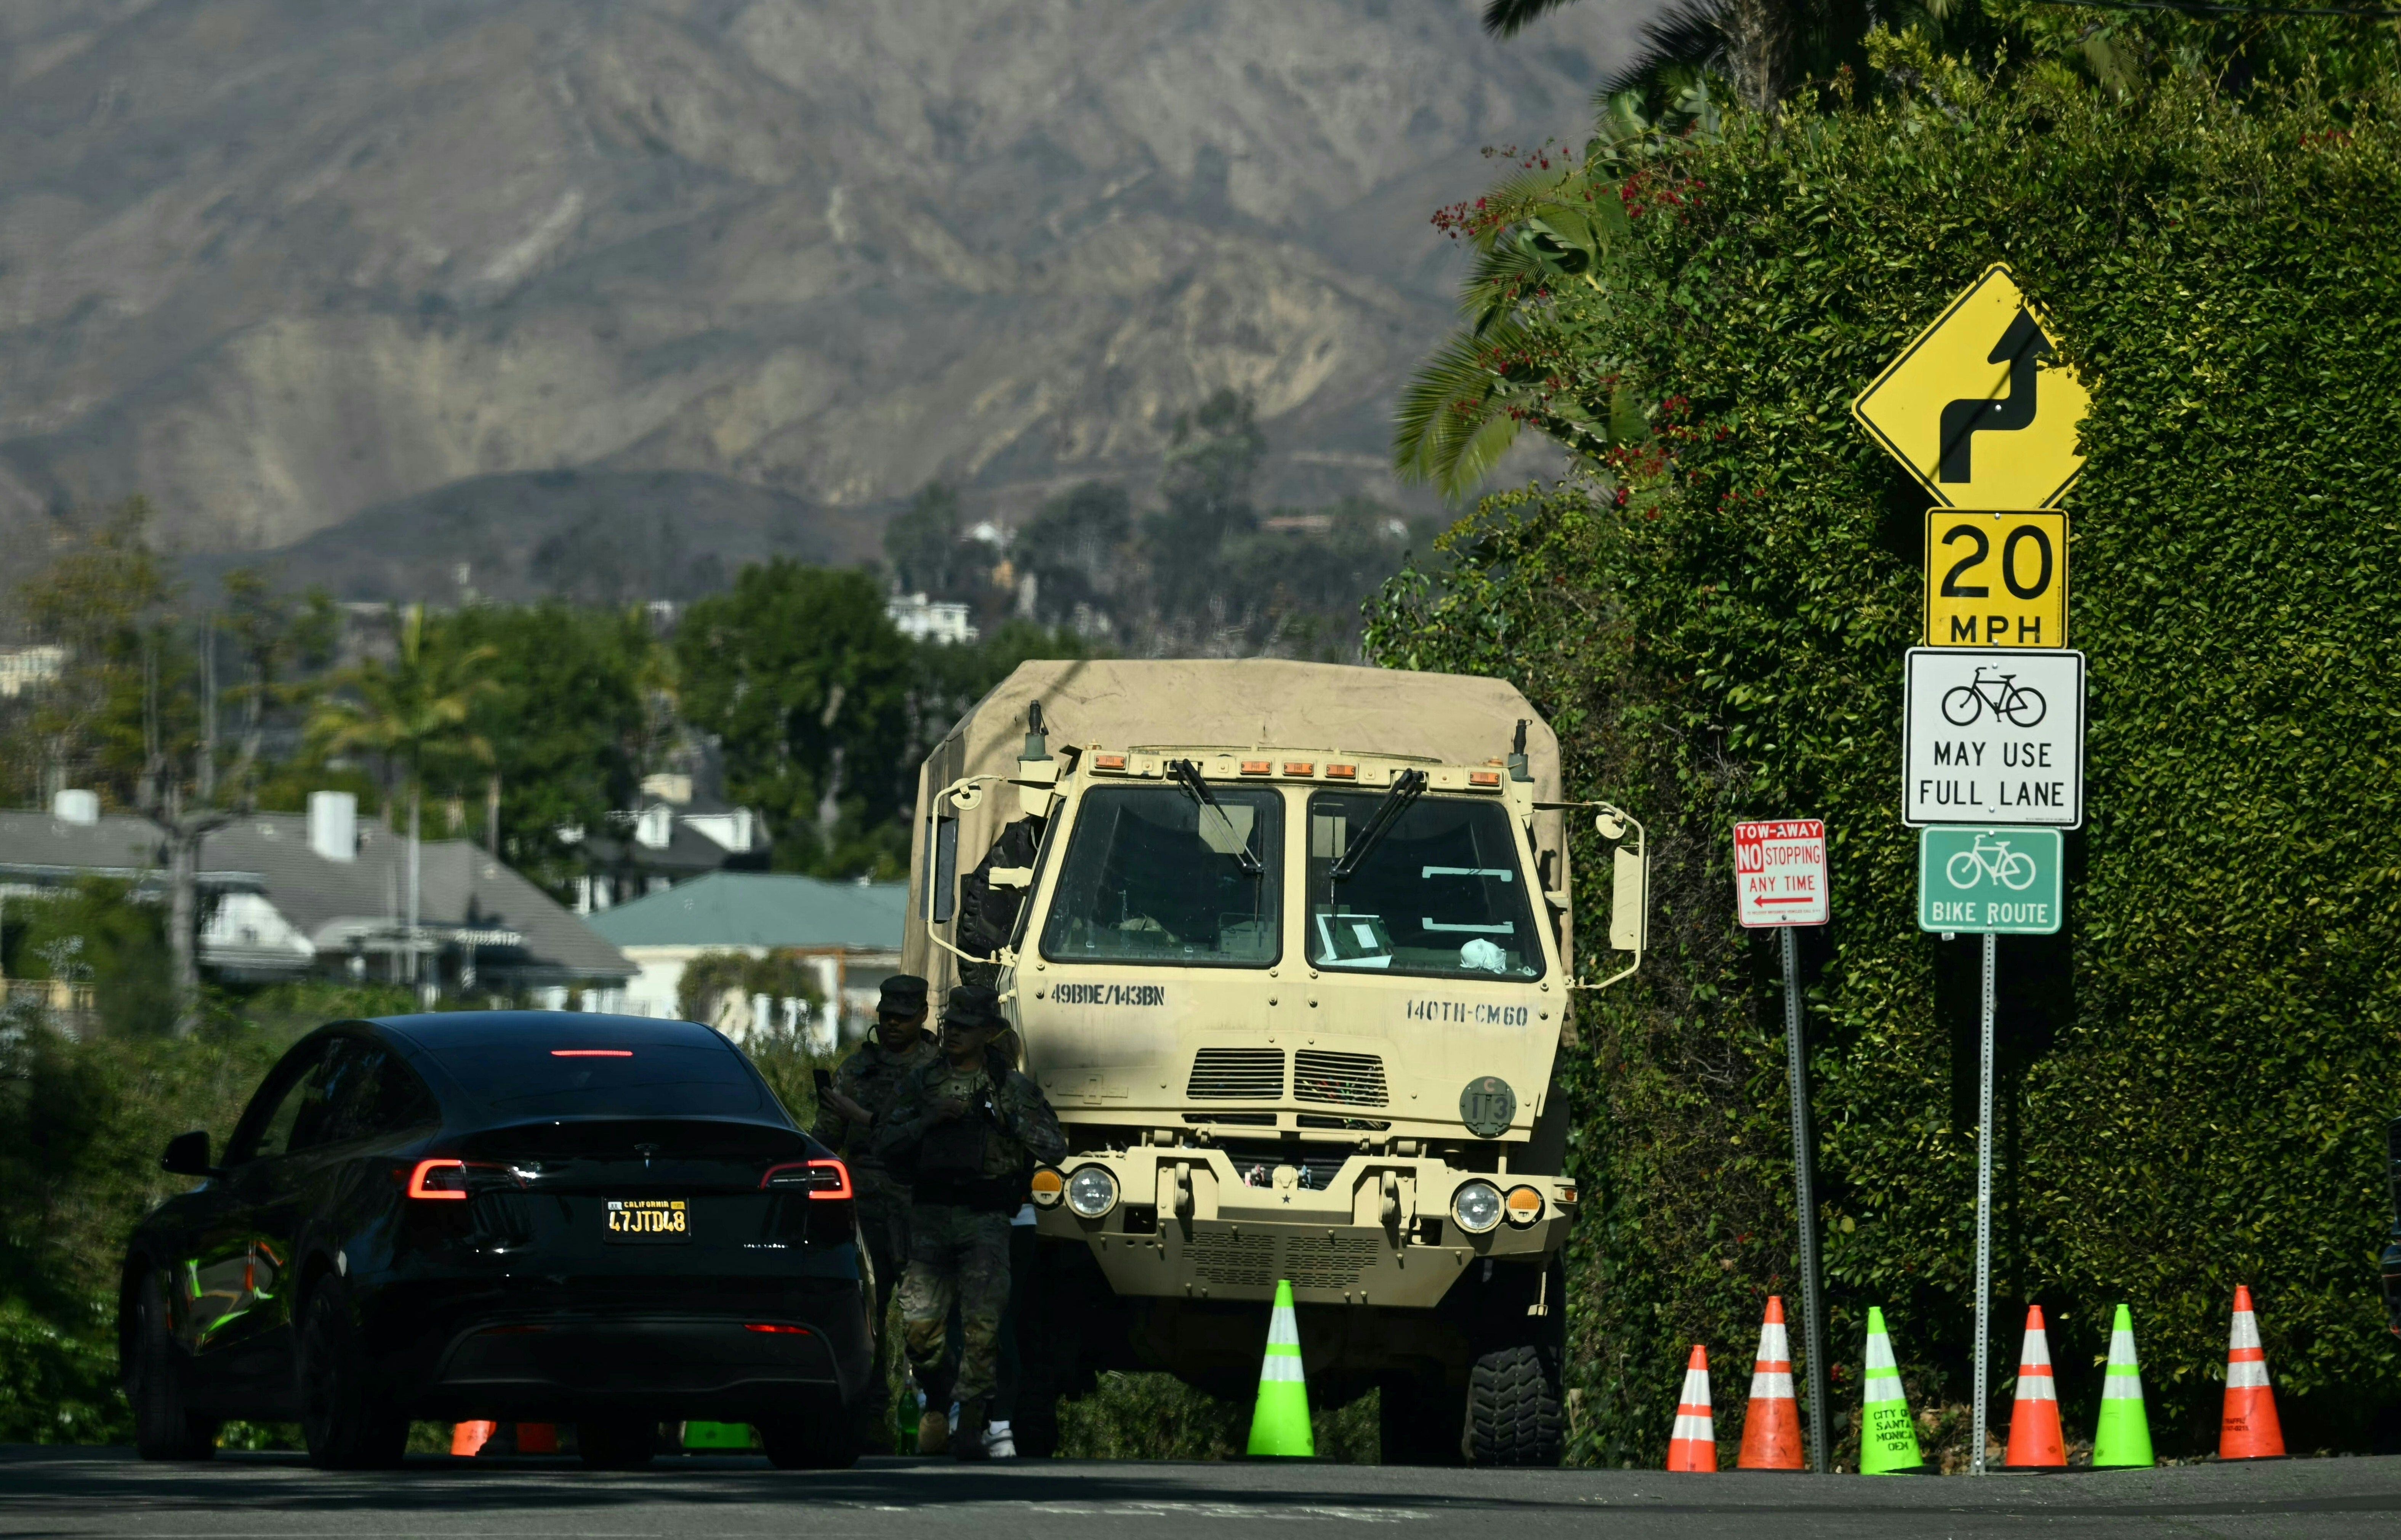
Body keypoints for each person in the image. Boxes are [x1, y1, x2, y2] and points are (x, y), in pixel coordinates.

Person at [876, 984, 1064, 1461]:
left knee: (983, 1331)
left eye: (963, 1027)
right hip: (930, 1219)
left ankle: (972, 1428)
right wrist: (927, 1121)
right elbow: (885, 1142)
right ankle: (938, 1398)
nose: (953, 1033)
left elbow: (1055, 1146)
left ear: (986, 1033)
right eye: (949, 1025)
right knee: (921, 1335)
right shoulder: (922, 1082)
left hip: (986, 1220)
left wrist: (1006, 1119)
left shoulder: (1010, 1087)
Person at [810, 973, 935, 1452]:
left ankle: (933, 1416)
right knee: (868, 1326)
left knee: (927, 1325)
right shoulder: (854, 1071)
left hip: (922, 1213)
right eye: (886, 1017)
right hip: (865, 1215)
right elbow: (825, 1141)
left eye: (903, 1017)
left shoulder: (939, 1071)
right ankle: (872, 1426)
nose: (892, 1025)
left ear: (923, 1016)